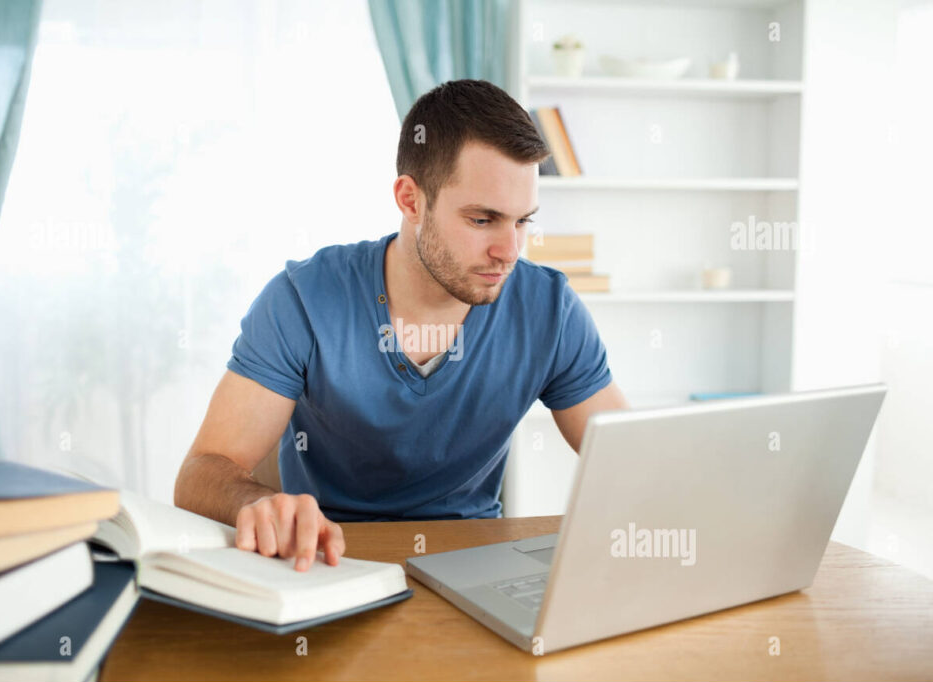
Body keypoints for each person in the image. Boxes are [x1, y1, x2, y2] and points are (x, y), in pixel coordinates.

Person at [174, 79, 629, 572]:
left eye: (523, 222)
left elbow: (630, 459)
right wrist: (253, 503)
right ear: (410, 200)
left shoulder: (550, 311)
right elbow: (200, 473)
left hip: (476, 563)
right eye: (483, 220)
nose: (510, 251)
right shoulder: (302, 300)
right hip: (325, 561)